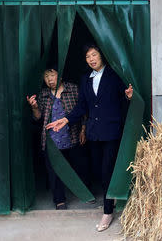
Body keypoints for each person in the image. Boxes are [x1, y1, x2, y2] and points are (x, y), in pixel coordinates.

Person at [46, 45, 133, 232]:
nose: (91, 59)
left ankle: (108, 212)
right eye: (87, 56)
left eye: (94, 55)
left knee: (106, 170)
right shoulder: (85, 79)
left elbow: (124, 97)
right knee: (98, 170)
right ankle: (112, 197)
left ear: (102, 55)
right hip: (94, 132)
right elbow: (82, 106)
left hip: (111, 131)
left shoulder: (115, 74)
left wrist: (129, 98)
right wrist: (66, 119)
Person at [27, 67, 86, 210]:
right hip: (51, 140)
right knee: (54, 171)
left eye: (52, 75)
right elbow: (38, 118)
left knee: (79, 166)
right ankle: (59, 200)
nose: (49, 79)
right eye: (46, 76)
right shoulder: (44, 94)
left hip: (72, 136)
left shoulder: (73, 89)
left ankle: (84, 191)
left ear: (59, 75)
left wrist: (83, 129)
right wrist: (34, 107)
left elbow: (83, 109)